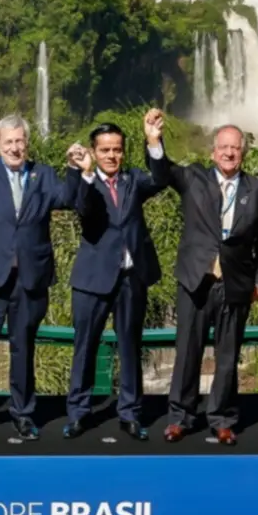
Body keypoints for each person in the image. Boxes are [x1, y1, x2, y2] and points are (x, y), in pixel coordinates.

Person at [149, 113, 258, 446]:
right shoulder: (193, 178)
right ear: (212, 151)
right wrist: (154, 140)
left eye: (235, 148)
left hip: (236, 282)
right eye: (224, 147)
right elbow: (162, 172)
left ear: (242, 152)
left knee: (228, 355)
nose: (229, 153)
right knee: (187, 352)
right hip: (196, 279)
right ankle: (180, 417)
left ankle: (222, 419)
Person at [0, 114, 71, 441]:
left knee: (24, 348)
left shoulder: (43, 174)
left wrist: (78, 170)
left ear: (27, 143)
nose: (15, 147)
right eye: (8, 142)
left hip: (30, 277)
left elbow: (67, 199)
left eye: (20, 140)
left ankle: (23, 413)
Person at [62, 114, 167, 441]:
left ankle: (131, 413)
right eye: (105, 150)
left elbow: (161, 178)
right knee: (85, 347)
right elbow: (82, 207)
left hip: (131, 278)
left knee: (130, 346)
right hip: (92, 279)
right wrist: (85, 173)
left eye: (117, 149)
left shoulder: (134, 180)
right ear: (94, 151)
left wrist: (153, 140)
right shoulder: (83, 179)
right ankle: (78, 413)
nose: (112, 155)